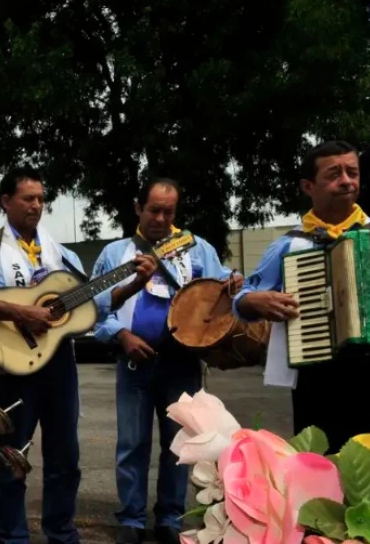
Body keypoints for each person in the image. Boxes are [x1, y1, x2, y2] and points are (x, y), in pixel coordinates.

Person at [91, 176, 242, 544]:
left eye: (168, 212)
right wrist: (121, 336)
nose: (160, 218)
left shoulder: (197, 249)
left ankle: (170, 519)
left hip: (183, 364)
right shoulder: (114, 255)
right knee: (132, 443)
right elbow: (93, 309)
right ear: (138, 207)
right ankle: (132, 519)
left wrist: (234, 284)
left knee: (181, 446)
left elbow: (220, 289)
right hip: (134, 364)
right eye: (154, 210)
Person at [233, 140, 370, 453]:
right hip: (316, 377)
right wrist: (254, 301)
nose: (346, 181)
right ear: (308, 186)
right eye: (334, 174)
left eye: (352, 172)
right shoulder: (290, 245)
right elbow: (244, 297)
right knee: (319, 466)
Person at [0, 167, 84, 544]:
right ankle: (11, 537)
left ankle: (62, 533)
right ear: (6, 201)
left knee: (65, 458)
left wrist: (134, 281)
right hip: (13, 364)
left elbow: (95, 302)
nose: (36, 205)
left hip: (60, 365)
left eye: (41, 199)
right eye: (28, 198)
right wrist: (20, 312)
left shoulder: (61, 254)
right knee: (13, 457)